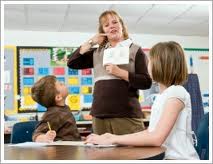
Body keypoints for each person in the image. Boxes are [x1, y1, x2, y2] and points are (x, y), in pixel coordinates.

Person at [86, 41, 200, 160]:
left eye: (150, 61)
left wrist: (114, 139)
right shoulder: (162, 96)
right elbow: (150, 132)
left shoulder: (176, 92)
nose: (147, 65)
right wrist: (112, 137)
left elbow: (156, 138)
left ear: (161, 65)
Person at [67, 10, 152, 135]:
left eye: (115, 22)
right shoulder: (98, 52)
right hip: (99, 115)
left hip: (126, 114)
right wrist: (91, 42)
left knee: (131, 153)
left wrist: (120, 73)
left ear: (122, 26)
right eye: (106, 25)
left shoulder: (135, 50)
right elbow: (72, 63)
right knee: (102, 154)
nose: (111, 26)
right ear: (103, 32)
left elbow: (146, 82)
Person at [31, 75, 81, 142]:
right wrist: (44, 138)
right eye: (60, 84)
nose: (63, 82)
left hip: (71, 148)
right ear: (58, 97)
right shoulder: (54, 113)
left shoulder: (64, 108)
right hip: (62, 151)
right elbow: (36, 134)